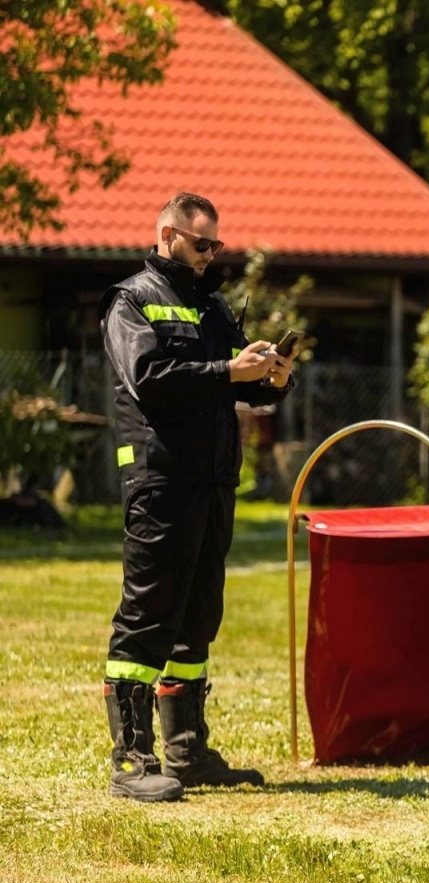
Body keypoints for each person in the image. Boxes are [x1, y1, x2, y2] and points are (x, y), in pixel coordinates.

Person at [100, 192, 295, 802]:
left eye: (216, 244)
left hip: (213, 480)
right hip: (159, 478)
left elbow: (239, 386)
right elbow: (149, 380)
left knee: (198, 614)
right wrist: (228, 372)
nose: (211, 254)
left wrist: (272, 378)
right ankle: (132, 759)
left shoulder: (211, 304)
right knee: (149, 613)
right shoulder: (132, 300)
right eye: (201, 243)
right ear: (168, 234)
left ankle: (187, 752)